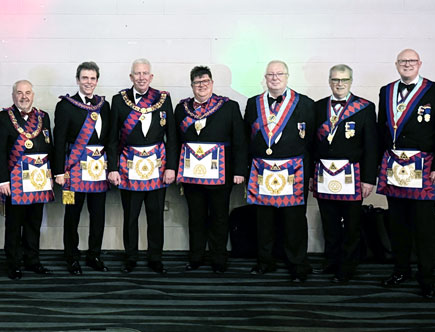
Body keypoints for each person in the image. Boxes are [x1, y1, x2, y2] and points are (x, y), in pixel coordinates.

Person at [378, 49, 435, 298]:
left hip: (423, 168)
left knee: (423, 226)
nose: (407, 65)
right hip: (394, 167)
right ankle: (401, 270)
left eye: (411, 61)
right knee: (397, 224)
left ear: (420, 64)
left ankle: (427, 277)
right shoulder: (386, 91)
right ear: (396, 64)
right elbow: (382, 130)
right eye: (402, 61)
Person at [244, 60, 315, 282]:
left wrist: (311, 173)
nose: (275, 78)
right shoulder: (253, 103)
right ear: (265, 78)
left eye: (279, 74)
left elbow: (311, 141)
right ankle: (265, 261)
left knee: (293, 219)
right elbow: (248, 138)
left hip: (294, 171)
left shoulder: (305, 103)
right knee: (264, 220)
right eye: (270, 75)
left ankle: (297, 264)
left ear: (287, 76)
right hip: (262, 170)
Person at [108, 58, 176, 274]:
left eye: (145, 73)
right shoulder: (119, 100)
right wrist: (113, 168)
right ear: (131, 77)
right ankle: (131, 257)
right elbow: (111, 138)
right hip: (129, 166)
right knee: (131, 216)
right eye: (137, 73)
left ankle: (156, 257)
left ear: (151, 76)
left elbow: (172, 136)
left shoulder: (164, 99)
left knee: (156, 215)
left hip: (157, 166)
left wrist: (171, 167)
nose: (141, 77)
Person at [175, 65, 245, 274]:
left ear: (212, 83)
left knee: (219, 217)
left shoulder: (228, 107)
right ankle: (196, 257)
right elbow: (176, 142)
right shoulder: (182, 109)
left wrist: (240, 170)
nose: (202, 86)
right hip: (191, 176)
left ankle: (218, 258)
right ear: (192, 86)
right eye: (197, 82)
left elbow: (240, 140)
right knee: (195, 217)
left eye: (205, 82)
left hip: (220, 175)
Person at [311, 64, 378, 282]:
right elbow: (313, 144)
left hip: (352, 175)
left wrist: (369, 179)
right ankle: (331, 262)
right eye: (335, 80)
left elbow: (371, 146)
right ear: (329, 81)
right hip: (324, 174)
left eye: (344, 80)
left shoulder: (365, 107)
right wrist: (312, 174)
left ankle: (347, 267)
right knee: (329, 223)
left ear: (351, 81)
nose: (339, 84)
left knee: (351, 225)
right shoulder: (318, 107)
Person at [51, 61, 113, 275]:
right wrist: (58, 171)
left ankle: (94, 255)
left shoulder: (104, 105)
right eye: (85, 78)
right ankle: (72, 257)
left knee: (98, 215)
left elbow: (110, 139)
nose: (89, 82)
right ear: (78, 80)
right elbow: (58, 140)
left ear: (97, 80)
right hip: (74, 168)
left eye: (92, 78)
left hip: (98, 169)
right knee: (73, 215)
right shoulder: (66, 105)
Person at [0, 80, 54, 280]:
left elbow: (49, 147)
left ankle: (32, 260)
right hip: (15, 181)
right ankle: (13, 263)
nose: (24, 96)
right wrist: (2, 181)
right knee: (14, 224)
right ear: (13, 95)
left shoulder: (43, 117)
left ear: (33, 95)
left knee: (34, 222)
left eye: (27, 92)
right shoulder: (2, 118)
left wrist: (50, 174)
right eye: (19, 92)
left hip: (38, 179)